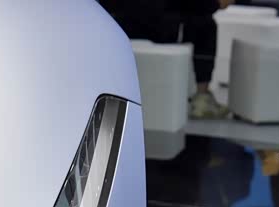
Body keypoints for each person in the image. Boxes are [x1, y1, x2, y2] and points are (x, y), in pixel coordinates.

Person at [99, 0, 232, 119]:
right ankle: (202, 97)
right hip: (157, 26)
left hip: (116, 23)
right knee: (207, 26)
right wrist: (215, 4)